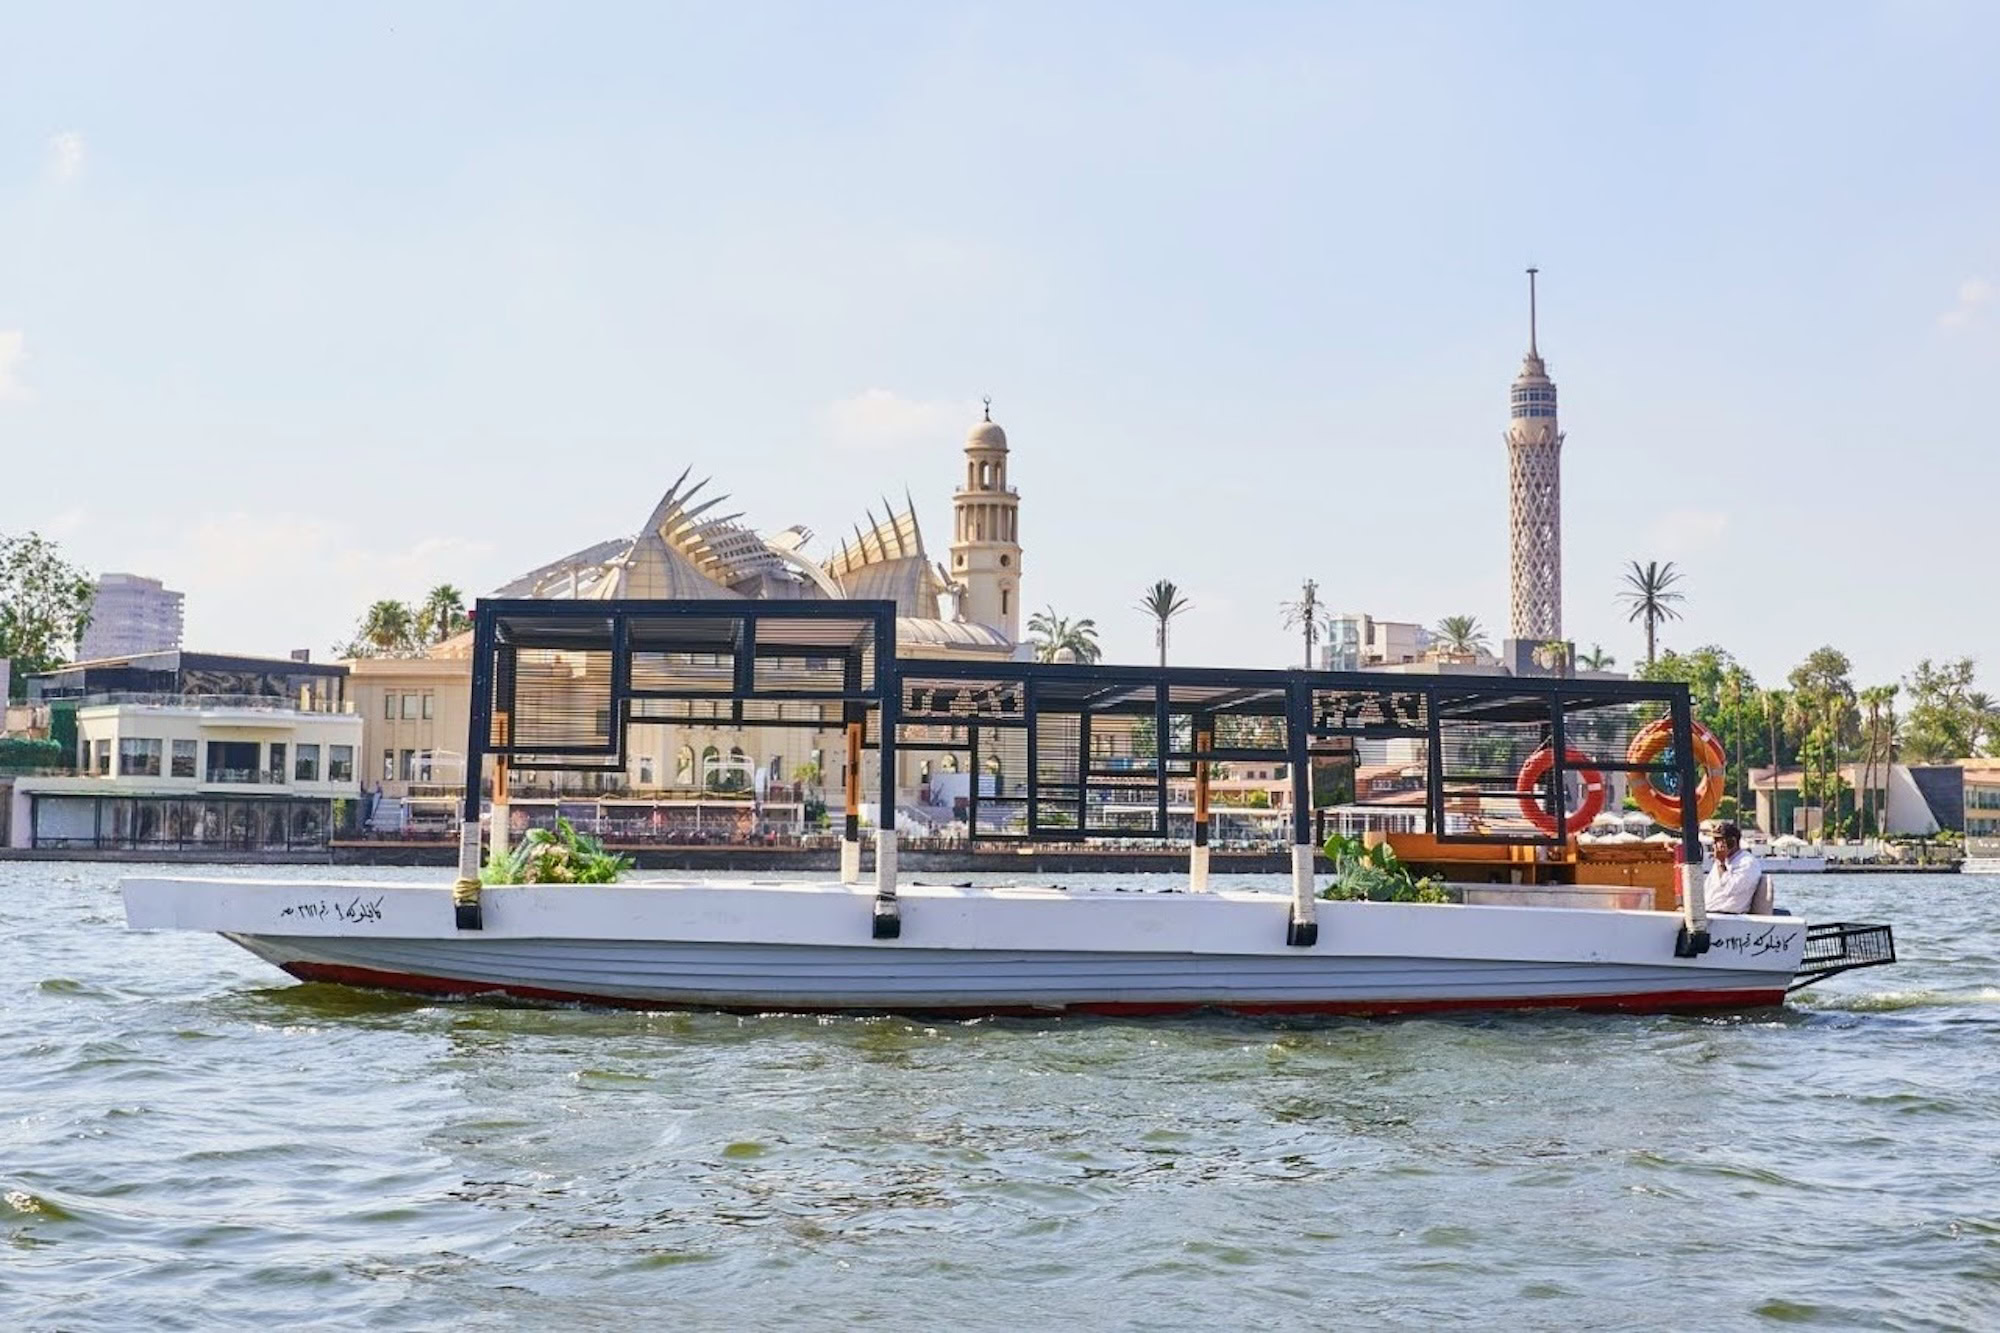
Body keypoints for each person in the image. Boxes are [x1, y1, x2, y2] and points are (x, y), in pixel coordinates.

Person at [1703, 821, 1765, 913]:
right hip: (1709, 912)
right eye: (1714, 841)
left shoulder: (1747, 863)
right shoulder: (1721, 862)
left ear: (1732, 842)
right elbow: (1707, 890)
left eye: (1718, 840)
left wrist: (1721, 864)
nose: (1714, 845)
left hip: (1728, 916)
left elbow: (1730, 889)